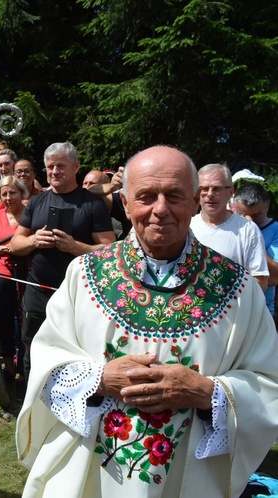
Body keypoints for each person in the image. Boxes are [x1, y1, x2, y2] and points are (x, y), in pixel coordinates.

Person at [15, 145, 278, 497]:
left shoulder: (239, 288)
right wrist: (99, 378)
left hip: (191, 479)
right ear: (124, 204)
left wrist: (207, 392)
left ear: (195, 201)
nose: (160, 209)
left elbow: (268, 383)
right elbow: (47, 361)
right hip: (91, 473)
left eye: (174, 195)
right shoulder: (84, 273)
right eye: (146, 196)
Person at [11, 142, 115, 381]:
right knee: (33, 347)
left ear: (76, 166)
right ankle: (30, 402)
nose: (54, 171)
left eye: (60, 166)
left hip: (78, 295)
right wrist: (34, 240)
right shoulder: (37, 202)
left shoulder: (92, 203)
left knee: (74, 353)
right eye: (50, 167)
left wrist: (76, 247)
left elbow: (110, 250)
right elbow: (16, 244)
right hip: (38, 292)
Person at [190, 163, 268, 291]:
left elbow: (260, 281)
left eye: (216, 189)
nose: (209, 194)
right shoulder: (187, 227)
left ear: (230, 192)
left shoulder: (247, 230)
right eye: (204, 189)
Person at [0, 175, 30, 381]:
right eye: (4, 193)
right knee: (3, 320)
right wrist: (4, 250)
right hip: (2, 274)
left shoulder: (29, 214)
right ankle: (9, 368)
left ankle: (25, 367)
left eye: (13, 192)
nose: (9, 197)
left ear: (22, 193)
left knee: (24, 322)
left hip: (26, 275)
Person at [234, 182, 278, 319]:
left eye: (256, 215)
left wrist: (255, 240)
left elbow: (274, 278)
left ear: (267, 205)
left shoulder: (275, 230)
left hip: (262, 314)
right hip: (232, 311)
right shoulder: (230, 227)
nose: (250, 221)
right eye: (243, 215)